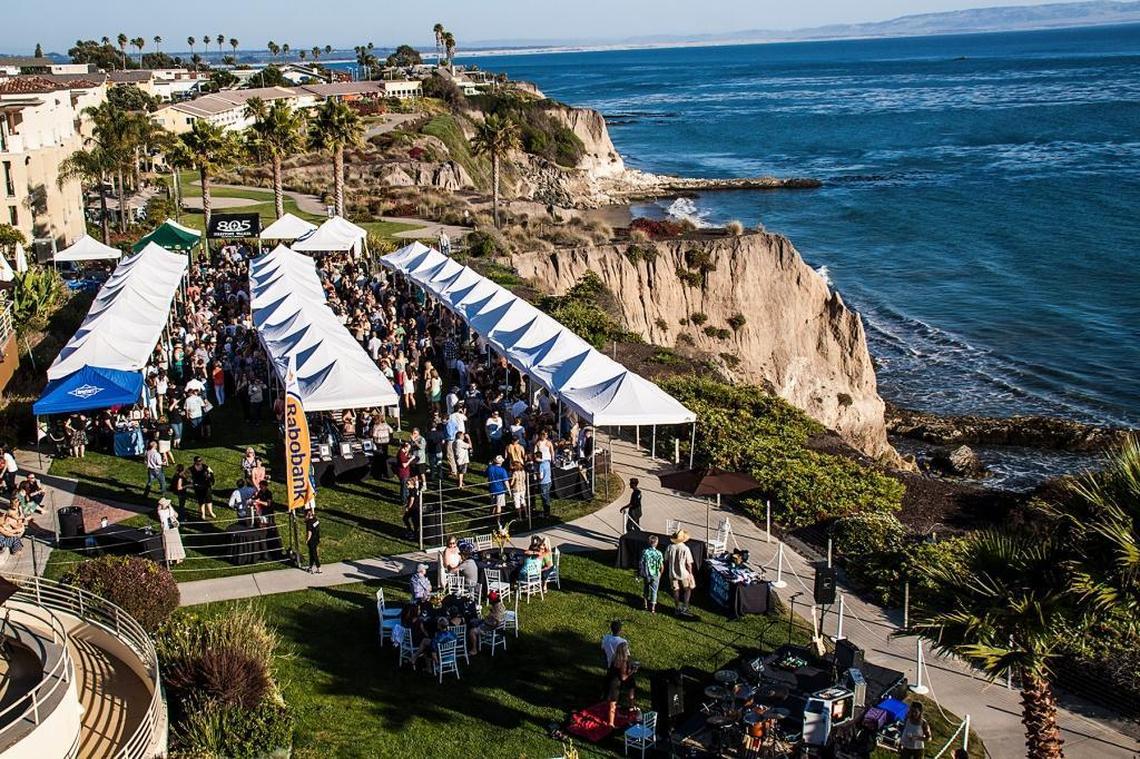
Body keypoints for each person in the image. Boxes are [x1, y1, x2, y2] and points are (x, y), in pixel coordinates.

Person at [604, 641, 638, 728]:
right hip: (615, 684)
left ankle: (611, 722)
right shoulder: (623, 662)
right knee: (613, 705)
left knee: (612, 704)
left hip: (611, 681)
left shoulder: (614, 658)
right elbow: (623, 677)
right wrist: (633, 671)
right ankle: (611, 723)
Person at [665, 529, 697, 615]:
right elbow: (689, 564)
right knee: (687, 589)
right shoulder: (686, 549)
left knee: (676, 590)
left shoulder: (670, 547)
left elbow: (666, 560)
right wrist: (690, 573)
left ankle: (677, 607)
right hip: (684, 573)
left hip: (672, 573)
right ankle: (685, 606)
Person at [639, 534, 664, 613]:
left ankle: (645, 604)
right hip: (656, 574)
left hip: (647, 573)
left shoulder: (645, 552)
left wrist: (641, 572)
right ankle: (653, 608)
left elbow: (641, 563)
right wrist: (660, 574)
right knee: (654, 591)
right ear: (656, 543)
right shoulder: (659, 553)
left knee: (646, 588)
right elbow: (662, 566)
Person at [157, 497, 185, 565]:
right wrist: (170, 506)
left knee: (169, 545)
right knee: (176, 543)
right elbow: (176, 515)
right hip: (172, 528)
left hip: (167, 529)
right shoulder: (168, 511)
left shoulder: (161, 512)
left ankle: (171, 559)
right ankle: (177, 558)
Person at [189, 456, 216, 520]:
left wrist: (211, 478)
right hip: (198, 487)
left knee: (208, 500)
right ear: (195, 462)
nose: (200, 462)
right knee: (201, 501)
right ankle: (203, 514)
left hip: (206, 486)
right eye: (198, 461)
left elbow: (211, 472)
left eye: (200, 461)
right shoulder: (191, 469)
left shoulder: (205, 466)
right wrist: (192, 482)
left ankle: (211, 512)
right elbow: (186, 476)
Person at [305, 506, 322, 573]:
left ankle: (319, 568)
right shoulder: (316, 520)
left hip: (312, 540)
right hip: (317, 538)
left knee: (314, 554)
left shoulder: (309, 522)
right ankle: (310, 567)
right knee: (312, 553)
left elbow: (309, 532)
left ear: (307, 515)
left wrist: (307, 540)